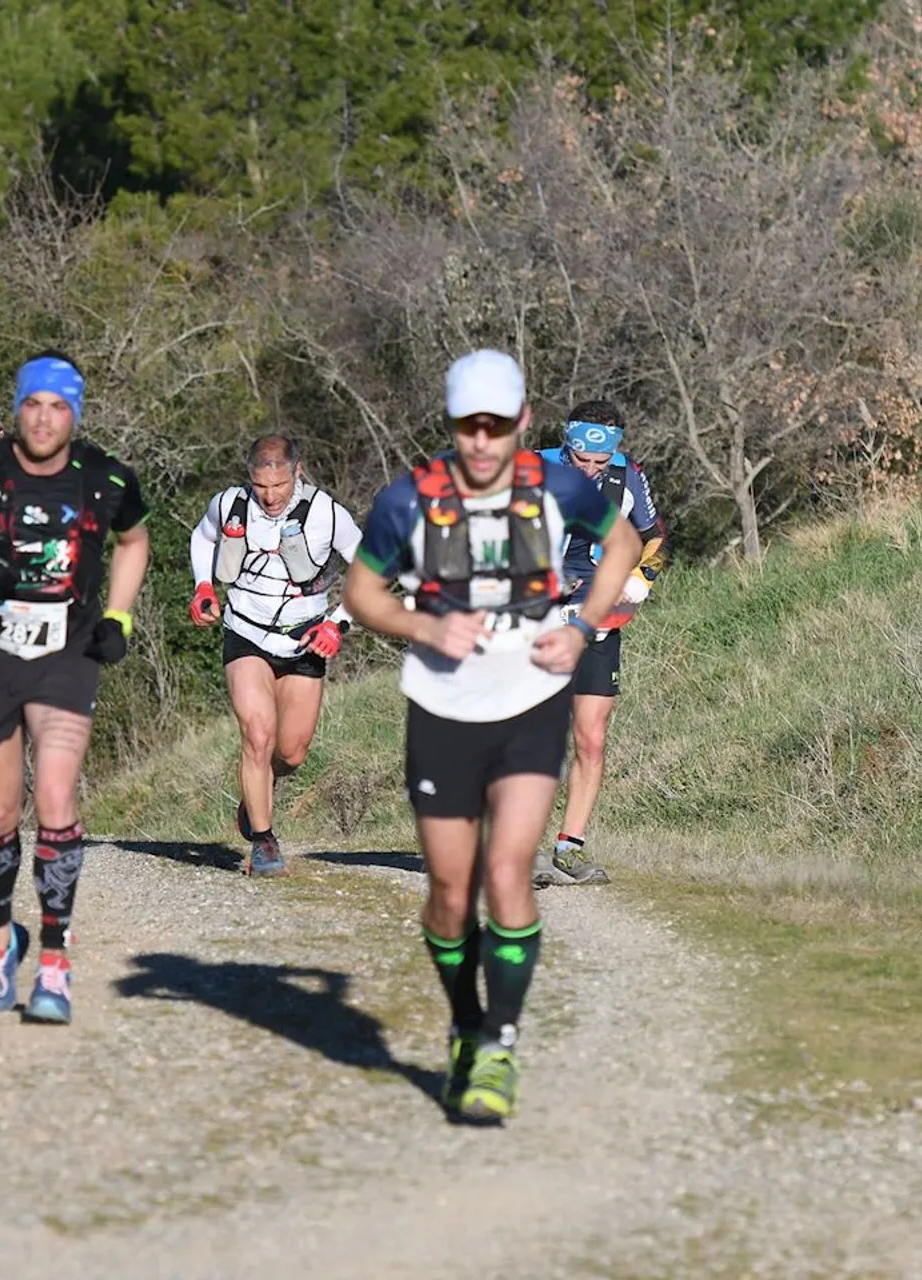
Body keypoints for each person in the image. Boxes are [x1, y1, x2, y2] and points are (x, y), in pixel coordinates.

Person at [341, 350, 642, 1123]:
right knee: (450, 894)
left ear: (523, 422)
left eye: (497, 426)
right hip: (441, 706)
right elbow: (362, 592)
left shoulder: (556, 486)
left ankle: (500, 1046)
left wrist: (583, 626)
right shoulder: (410, 498)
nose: (481, 441)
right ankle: (466, 1026)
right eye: (468, 425)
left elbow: (624, 544)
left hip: (530, 698)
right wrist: (422, 626)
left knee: (507, 873)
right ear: (450, 423)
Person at [0, 351, 149, 1023]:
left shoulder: (102, 476)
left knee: (57, 797)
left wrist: (119, 616)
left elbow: (134, 540)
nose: (43, 419)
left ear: (76, 413)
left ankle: (55, 963)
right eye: (32, 405)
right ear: (17, 409)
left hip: (66, 652)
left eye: (58, 406)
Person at [188, 435, 362, 876]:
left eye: (279, 486)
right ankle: (263, 842)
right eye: (260, 486)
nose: (269, 497)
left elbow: (372, 568)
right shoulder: (229, 504)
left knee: (291, 752)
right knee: (258, 734)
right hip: (245, 632)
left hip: (305, 639)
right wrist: (203, 585)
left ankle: (258, 791)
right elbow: (202, 537)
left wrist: (338, 623)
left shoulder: (327, 514)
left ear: (297, 472)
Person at [534, 401, 668, 887]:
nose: (590, 470)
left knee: (590, 737)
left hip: (597, 617)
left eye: (600, 461)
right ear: (565, 444)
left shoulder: (628, 476)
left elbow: (656, 538)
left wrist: (642, 578)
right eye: (580, 459)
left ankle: (568, 848)